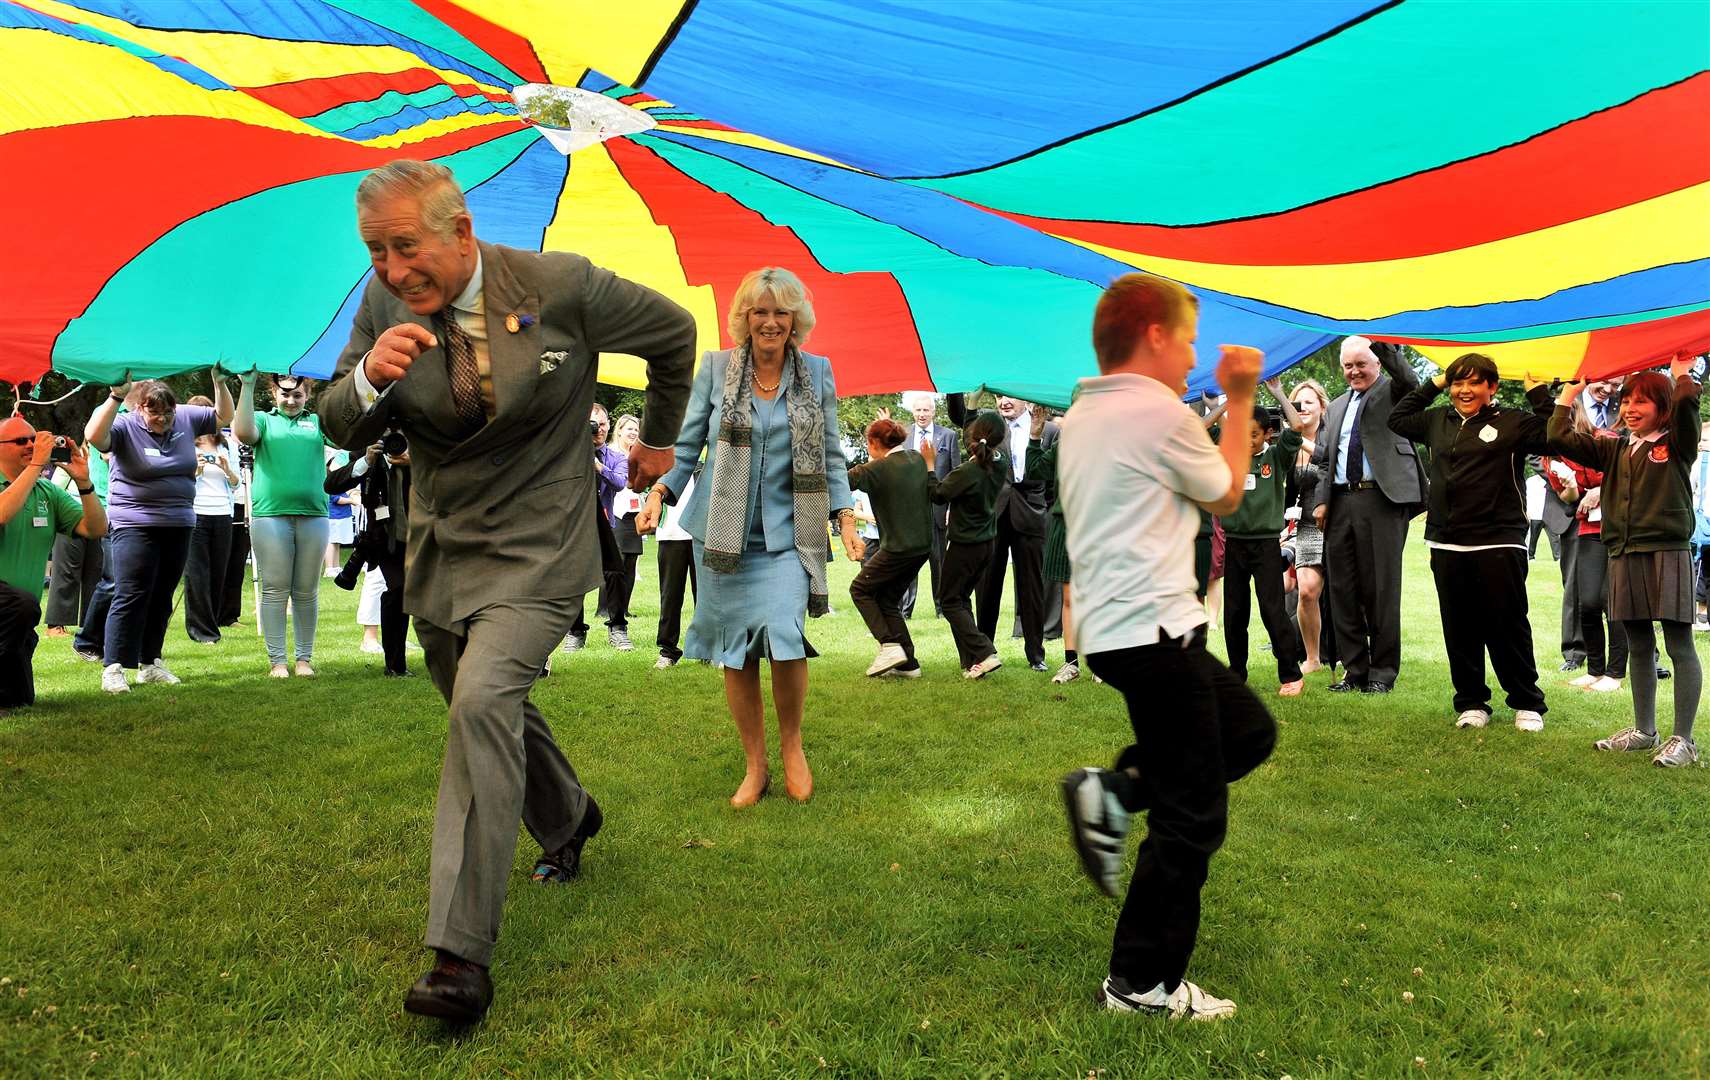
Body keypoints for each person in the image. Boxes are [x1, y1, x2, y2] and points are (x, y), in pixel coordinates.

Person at [322, 159, 695, 1024]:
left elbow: (674, 334)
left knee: (482, 701)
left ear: (461, 233)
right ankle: (568, 813)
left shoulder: (560, 285)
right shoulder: (382, 305)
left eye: (404, 246)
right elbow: (339, 420)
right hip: (445, 540)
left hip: (541, 538)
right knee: (465, 689)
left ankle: (458, 957)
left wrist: (662, 442)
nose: (390, 269)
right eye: (376, 251)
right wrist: (372, 376)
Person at [1058, 271, 1274, 1020]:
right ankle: (1141, 985)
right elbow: (1228, 492)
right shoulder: (1157, 412)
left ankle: (1116, 794)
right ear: (1153, 334)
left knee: (1246, 731)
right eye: (1186, 339)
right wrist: (1241, 395)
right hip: (1153, 632)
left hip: (1120, 631)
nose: (1192, 357)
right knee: (1194, 815)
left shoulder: (1085, 410)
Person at [639, 266, 858, 810]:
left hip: (790, 535)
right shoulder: (716, 369)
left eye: (781, 311)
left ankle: (792, 749)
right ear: (745, 318)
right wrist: (660, 492)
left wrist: (846, 516)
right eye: (760, 311)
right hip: (721, 534)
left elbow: (831, 453)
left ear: (795, 320)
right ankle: (754, 764)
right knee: (736, 651)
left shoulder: (818, 374)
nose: (770, 321)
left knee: (784, 635)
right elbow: (687, 447)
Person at [1388, 353, 1554, 731]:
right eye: (1459, 382)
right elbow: (1396, 419)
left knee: (1507, 624)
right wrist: (1436, 382)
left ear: (1491, 388)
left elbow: (1553, 435)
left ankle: (1527, 702)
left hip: (1500, 539)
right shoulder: (1436, 421)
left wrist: (1539, 394)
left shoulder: (1512, 422)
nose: (1465, 390)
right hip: (1448, 541)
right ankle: (1471, 701)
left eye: (1474, 382)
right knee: (1459, 626)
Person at [1549, 359, 1703, 767]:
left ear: (1663, 408)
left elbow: (1688, 399)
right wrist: (1568, 392)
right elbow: (1558, 435)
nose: (1631, 408)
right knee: (1637, 643)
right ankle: (1644, 731)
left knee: (1678, 644)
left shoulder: (1678, 442)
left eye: (1643, 401)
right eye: (1627, 400)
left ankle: (1683, 740)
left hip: (1667, 552)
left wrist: (1681, 372)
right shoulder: (1614, 447)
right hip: (1624, 552)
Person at [86, 374, 233, 693]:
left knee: (162, 595)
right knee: (131, 593)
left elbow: (224, 417)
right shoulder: (125, 425)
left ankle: (150, 662)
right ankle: (113, 666)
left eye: (168, 414)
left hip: (178, 522)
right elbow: (95, 437)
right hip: (134, 522)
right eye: (155, 414)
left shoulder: (184, 416)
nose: (163, 419)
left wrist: (219, 384)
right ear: (140, 408)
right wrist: (114, 397)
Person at [1310, 336, 1426, 693]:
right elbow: (1324, 460)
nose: (1354, 371)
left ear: (1376, 363)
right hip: (1341, 502)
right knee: (1342, 589)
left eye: (1361, 363)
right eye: (1348, 365)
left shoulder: (1395, 392)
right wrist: (1321, 500)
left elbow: (1411, 383)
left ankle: (1382, 673)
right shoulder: (1336, 406)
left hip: (1382, 501)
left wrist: (1383, 343)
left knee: (1381, 589)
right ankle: (1355, 670)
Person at [0, 419, 107, 707]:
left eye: (34, 439)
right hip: (12, 607)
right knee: (18, 603)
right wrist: (36, 466)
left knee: (19, 700)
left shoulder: (47, 491)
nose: (32, 445)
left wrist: (84, 482)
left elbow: (96, 529)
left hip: (17, 619)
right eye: (21, 441)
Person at [948, 393, 1057, 671]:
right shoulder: (990, 430)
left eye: (1008, 396)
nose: (1003, 401)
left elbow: (1053, 479)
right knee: (987, 587)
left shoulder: (1050, 429)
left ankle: (1036, 655)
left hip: (1031, 518)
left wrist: (1042, 509)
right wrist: (963, 395)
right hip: (993, 517)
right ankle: (984, 653)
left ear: (1024, 398)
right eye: (997, 396)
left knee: (1032, 589)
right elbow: (966, 431)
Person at [234, 373, 330, 679]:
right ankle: (277, 661)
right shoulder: (263, 420)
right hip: (270, 515)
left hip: (314, 514)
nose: (291, 401)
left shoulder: (316, 422)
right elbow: (243, 433)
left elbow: (345, 438)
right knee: (275, 589)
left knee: (306, 591)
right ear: (274, 393)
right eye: (285, 395)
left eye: (298, 396)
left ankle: (304, 660)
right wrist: (247, 386)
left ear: (307, 396)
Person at [1220, 382, 1307, 696]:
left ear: (1268, 433)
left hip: (1266, 544)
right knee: (1234, 613)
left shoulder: (1278, 456)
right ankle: (1236, 673)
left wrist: (1280, 394)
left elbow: (1296, 425)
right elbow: (1203, 430)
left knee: (1273, 610)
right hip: (1235, 543)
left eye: (1253, 434)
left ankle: (1290, 675)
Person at [921, 411, 1007, 678]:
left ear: (973, 436)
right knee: (960, 599)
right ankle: (973, 661)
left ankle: (984, 652)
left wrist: (930, 465)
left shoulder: (969, 471)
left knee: (948, 601)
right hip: (986, 545)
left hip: (964, 546)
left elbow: (937, 495)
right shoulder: (999, 464)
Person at [847, 416, 933, 678]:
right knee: (886, 599)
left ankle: (889, 645)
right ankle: (909, 665)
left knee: (860, 589)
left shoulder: (875, 470)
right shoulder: (916, 459)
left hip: (897, 547)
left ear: (873, 442)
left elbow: (840, 482)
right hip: (923, 547)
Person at [1553, 402, 1628, 693]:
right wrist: (1571, 486)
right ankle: (1595, 670)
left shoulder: (1605, 440)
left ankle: (1615, 673)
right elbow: (1570, 498)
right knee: (1588, 602)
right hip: (1588, 529)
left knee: (1614, 602)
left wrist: (1599, 489)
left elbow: (1630, 476)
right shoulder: (1554, 457)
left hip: (1620, 528)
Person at [327, 437, 411, 676]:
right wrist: (366, 460)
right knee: (397, 592)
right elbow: (331, 485)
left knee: (409, 594)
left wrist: (414, 461)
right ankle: (395, 665)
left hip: (424, 533)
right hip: (384, 537)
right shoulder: (366, 451)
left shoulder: (419, 442)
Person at [564, 404, 632, 652]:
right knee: (575, 578)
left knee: (614, 574)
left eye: (603, 424)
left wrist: (596, 465)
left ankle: (618, 628)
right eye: (593, 425)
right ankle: (575, 632)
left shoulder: (617, 458)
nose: (599, 429)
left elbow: (620, 483)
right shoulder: (571, 454)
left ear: (609, 424)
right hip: (577, 526)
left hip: (607, 524)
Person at [899, 391, 959, 618]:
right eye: (918, 410)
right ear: (912, 412)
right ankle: (905, 610)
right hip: (911, 510)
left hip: (939, 509)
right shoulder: (903, 436)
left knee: (939, 562)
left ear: (933, 412)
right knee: (908, 561)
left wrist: (952, 508)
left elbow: (955, 475)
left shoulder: (949, 436)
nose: (922, 414)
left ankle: (942, 608)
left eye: (926, 410)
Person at [1287, 379, 1332, 674]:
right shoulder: (1288, 444)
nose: (1303, 407)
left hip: (1337, 519)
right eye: (1297, 404)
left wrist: (1298, 439)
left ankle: (1346, 655)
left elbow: (1326, 457)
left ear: (1322, 407)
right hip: (1305, 524)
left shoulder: (1331, 435)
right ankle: (1312, 658)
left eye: (1309, 402)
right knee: (1306, 591)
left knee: (1344, 593)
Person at [183, 414, 238, 644]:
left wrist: (226, 469)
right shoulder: (184, 443)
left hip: (222, 513)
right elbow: (180, 481)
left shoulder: (226, 445)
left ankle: (212, 622)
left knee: (218, 572)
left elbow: (236, 483)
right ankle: (201, 630)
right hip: (196, 513)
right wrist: (196, 470)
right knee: (197, 573)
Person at [42, 443, 103, 638]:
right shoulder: (74, 456)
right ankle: (56, 625)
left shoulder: (118, 459)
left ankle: (90, 624)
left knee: (96, 572)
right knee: (66, 571)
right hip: (72, 517)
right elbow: (55, 488)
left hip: (102, 517)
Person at [606, 412, 645, 649]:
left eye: (636, 430)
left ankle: (624, 607)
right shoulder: (611, 454)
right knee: (616, 564)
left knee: (631, 562)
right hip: (616, 513)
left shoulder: (638, 456)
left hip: (635, 515)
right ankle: (610, 610)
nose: (633, 433)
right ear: (619, 430)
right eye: (629, 429)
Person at [652, 470, 698, 668]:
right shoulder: (664, 455)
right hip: (671, 534)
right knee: (670, 596)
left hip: (702, 534)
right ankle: (668, 650)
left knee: (707, 597)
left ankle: (712, 648)